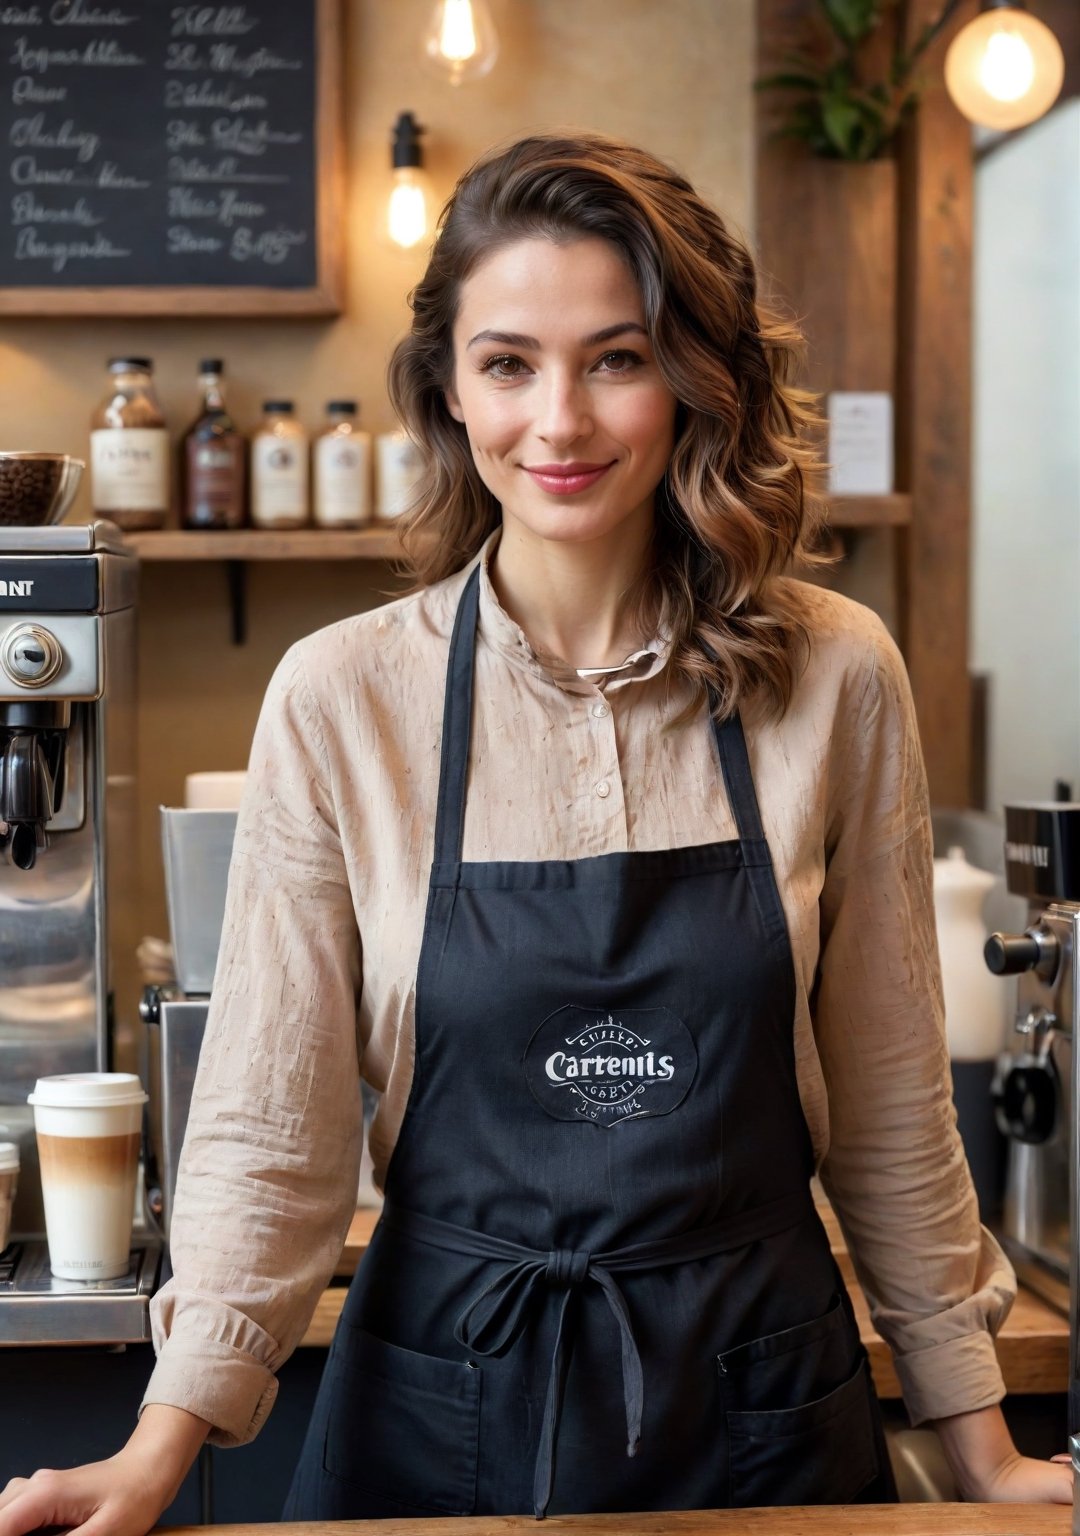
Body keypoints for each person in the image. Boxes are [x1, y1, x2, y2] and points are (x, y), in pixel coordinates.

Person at [0, 132, 1071, 1533]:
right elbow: (275, 1128)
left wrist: (980, 1444)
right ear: (449, 387)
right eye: (509, 363)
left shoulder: (836, 673)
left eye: (616, 360)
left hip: (762, 1402)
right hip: (440, 1402)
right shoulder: (345, 699)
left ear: (698, 381)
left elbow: (887, 1106)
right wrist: (153, 1455)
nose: (557, 421)